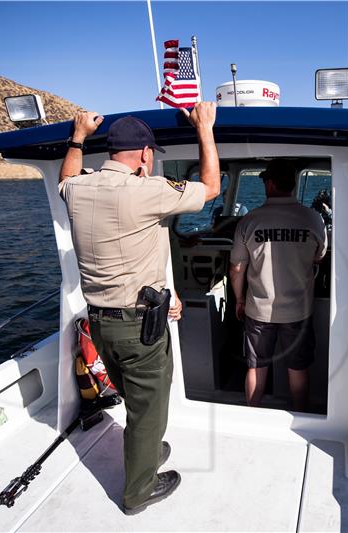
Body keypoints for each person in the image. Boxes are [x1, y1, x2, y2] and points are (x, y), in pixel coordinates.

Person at [59, 103, 220, 514]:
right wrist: (204, 128)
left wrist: (77, 136)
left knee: (134, 397)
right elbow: (211, 188)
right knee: (148, 407)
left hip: (99, 323)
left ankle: (145, 452)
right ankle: (137, 493)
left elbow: (64, 176)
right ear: (146, 155)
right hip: (139, 326)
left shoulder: (79, 188)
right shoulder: (147, 190)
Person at [229, 160, 327, 412]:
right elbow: (319, 256)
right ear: (293, 184)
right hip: (298, 311)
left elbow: (236, 268)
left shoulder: (249, 221)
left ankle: (253, 413)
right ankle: (301, 417)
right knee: (298, 370)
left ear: (270, 183)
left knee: (256, 368)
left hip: (258, 311)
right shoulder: (313, 219)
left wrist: (239, 300)